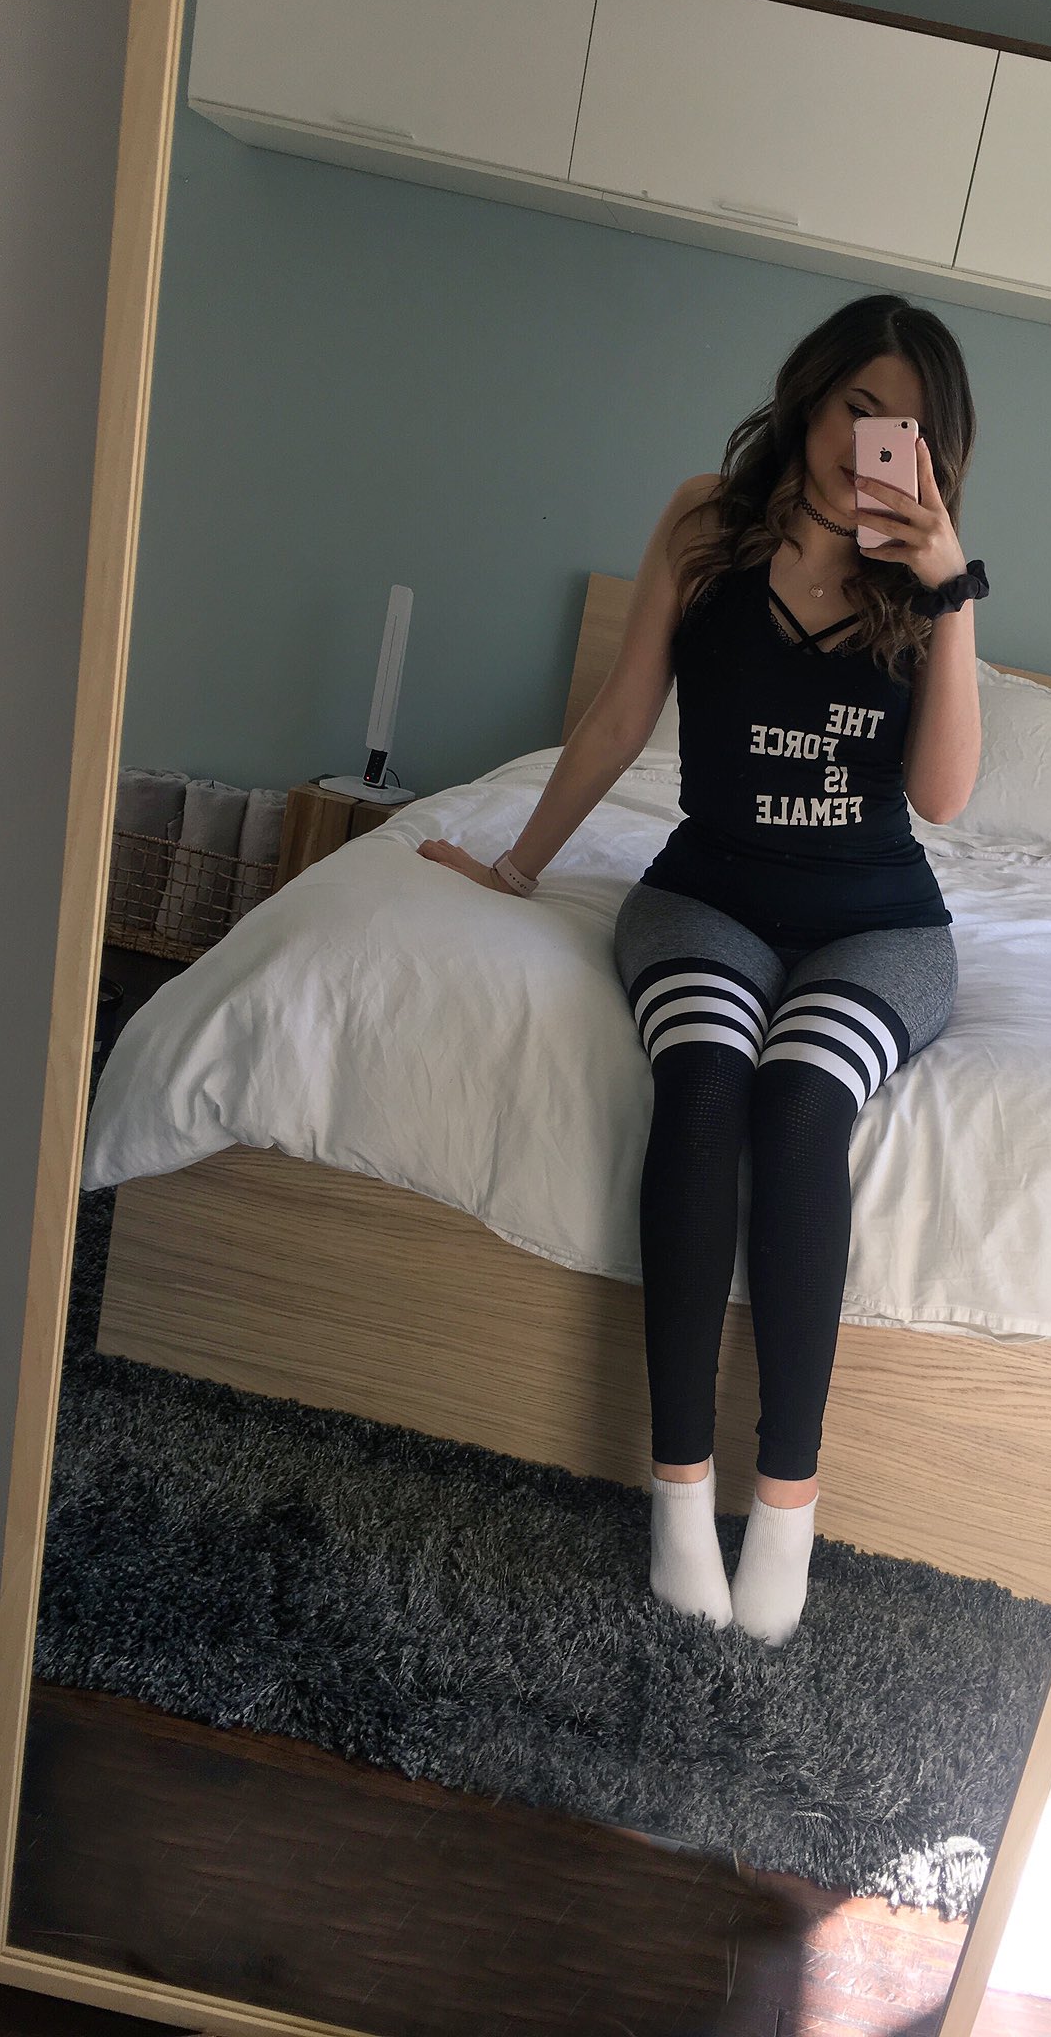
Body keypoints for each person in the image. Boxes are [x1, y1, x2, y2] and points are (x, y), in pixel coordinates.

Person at [419, 292, 984, 1644]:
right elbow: (623, 713)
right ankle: (679, 1492)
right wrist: (519, 865)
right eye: (856, 408)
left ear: (935, 452)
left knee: (802, 1100)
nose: (869, 445)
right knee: (707, 1076)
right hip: (707, 899)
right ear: (809, 397)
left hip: (877, 925)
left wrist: (952, 592)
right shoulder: (703, 523)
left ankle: (785, 1503)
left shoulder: (929, 582)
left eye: (904, 429)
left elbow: (946, 799)